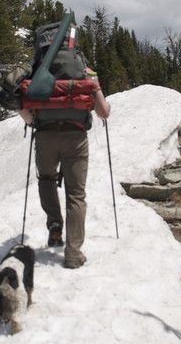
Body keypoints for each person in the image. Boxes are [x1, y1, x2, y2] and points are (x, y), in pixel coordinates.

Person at [18, 69, 111, 269]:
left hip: (46, 137)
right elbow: (103, 112)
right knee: (76, 195)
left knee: (46, 179)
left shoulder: (38, 69)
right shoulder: (84, 71)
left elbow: (24, 109)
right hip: (75, 137)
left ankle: (54, 223)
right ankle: (73, 254)